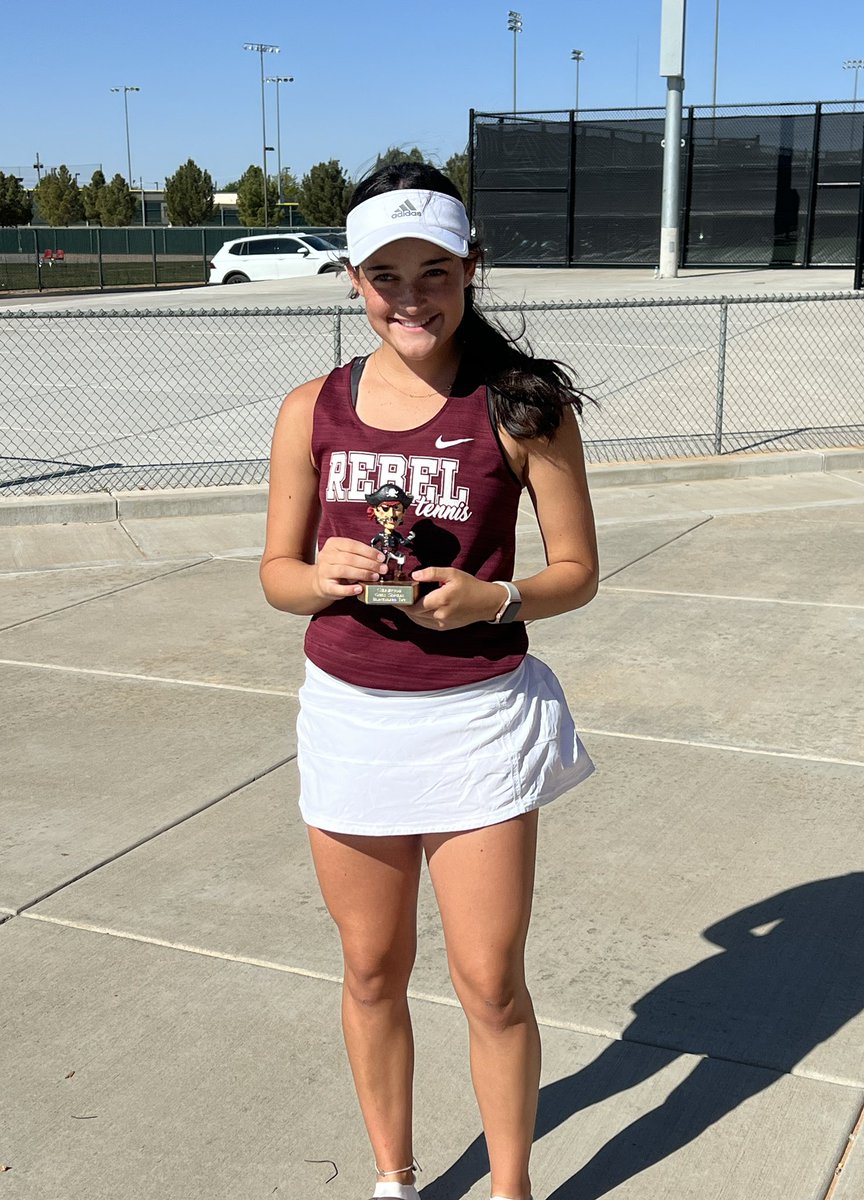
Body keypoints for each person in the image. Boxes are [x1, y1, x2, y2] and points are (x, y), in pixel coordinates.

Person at [260, 161, 599, 1200]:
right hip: (354, 719)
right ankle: (396, 1180)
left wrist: (491, 601)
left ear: (469, 270)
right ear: (353, 280)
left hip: (478, 723)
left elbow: (577, 572)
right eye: (386, 274)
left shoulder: (521, 405)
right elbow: (275, 576)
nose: (411, 296)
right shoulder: (309, 409)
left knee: (490, 983)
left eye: (434, 270)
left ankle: (509, 1189)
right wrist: (321, 578)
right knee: (371, 971)